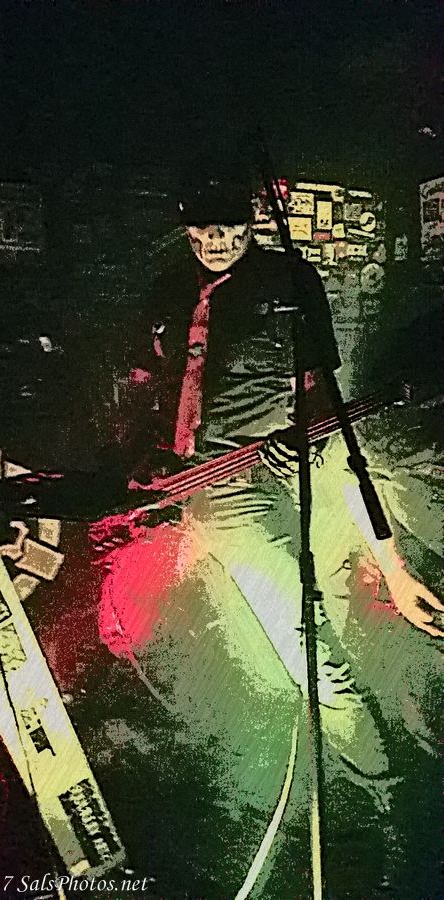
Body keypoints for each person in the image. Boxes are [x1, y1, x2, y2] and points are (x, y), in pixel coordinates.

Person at [93, 171, 442, 897]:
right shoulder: (168, 290)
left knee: (317, 659)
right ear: (184, 225)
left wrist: (394, 567)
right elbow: (146, 385)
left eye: (228, 228)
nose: (216, 242)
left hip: (261, 480)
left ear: (251, 222)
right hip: (194, 489)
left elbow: (331, 416)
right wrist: (137, 458)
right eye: (202, 230)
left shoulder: (289, 280)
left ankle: (386, 809)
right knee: (185, 642)